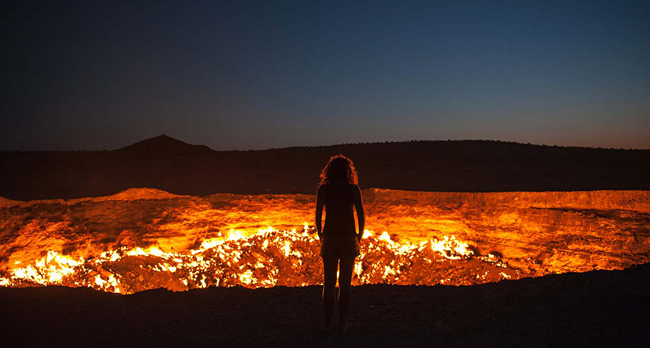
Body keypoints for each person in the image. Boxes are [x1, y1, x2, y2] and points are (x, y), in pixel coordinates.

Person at [315, 154, 365, 333]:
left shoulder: (324, 189)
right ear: (348, 171)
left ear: (329, 171)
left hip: (330, 238)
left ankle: (327, 323)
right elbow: (360, 214)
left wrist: (321, 235)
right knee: (345, 283)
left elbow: (318, 214)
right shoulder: (353, 189)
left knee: (328, 283)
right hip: (348, 238)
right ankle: (342, 323)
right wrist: (359, 236)